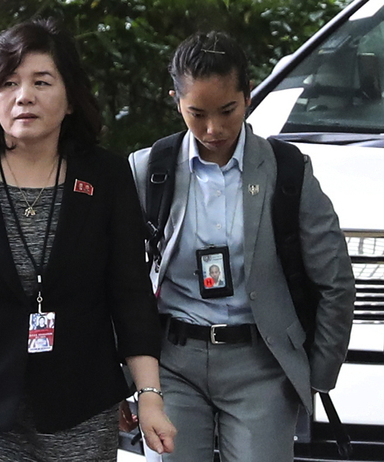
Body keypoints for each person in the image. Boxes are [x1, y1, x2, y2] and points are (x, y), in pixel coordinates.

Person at [0, 18, 176, 462]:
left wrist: (150, 396)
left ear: (70, 99)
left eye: (41, 82)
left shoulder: (105, 176)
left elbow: (130, 294)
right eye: (8, 83)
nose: (24, 96)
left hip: (78, 404)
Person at [128, 31, 354, 461]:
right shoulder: (148, 170)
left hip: (262, 365)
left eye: (227, 110)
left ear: (248, 96)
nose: (213, 129)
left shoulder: (287, 171)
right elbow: (119, 280)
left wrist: (317, 373)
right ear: (175, 101)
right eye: (196, 113)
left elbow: (336, 280)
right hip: (172, 362)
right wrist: (127, 378)